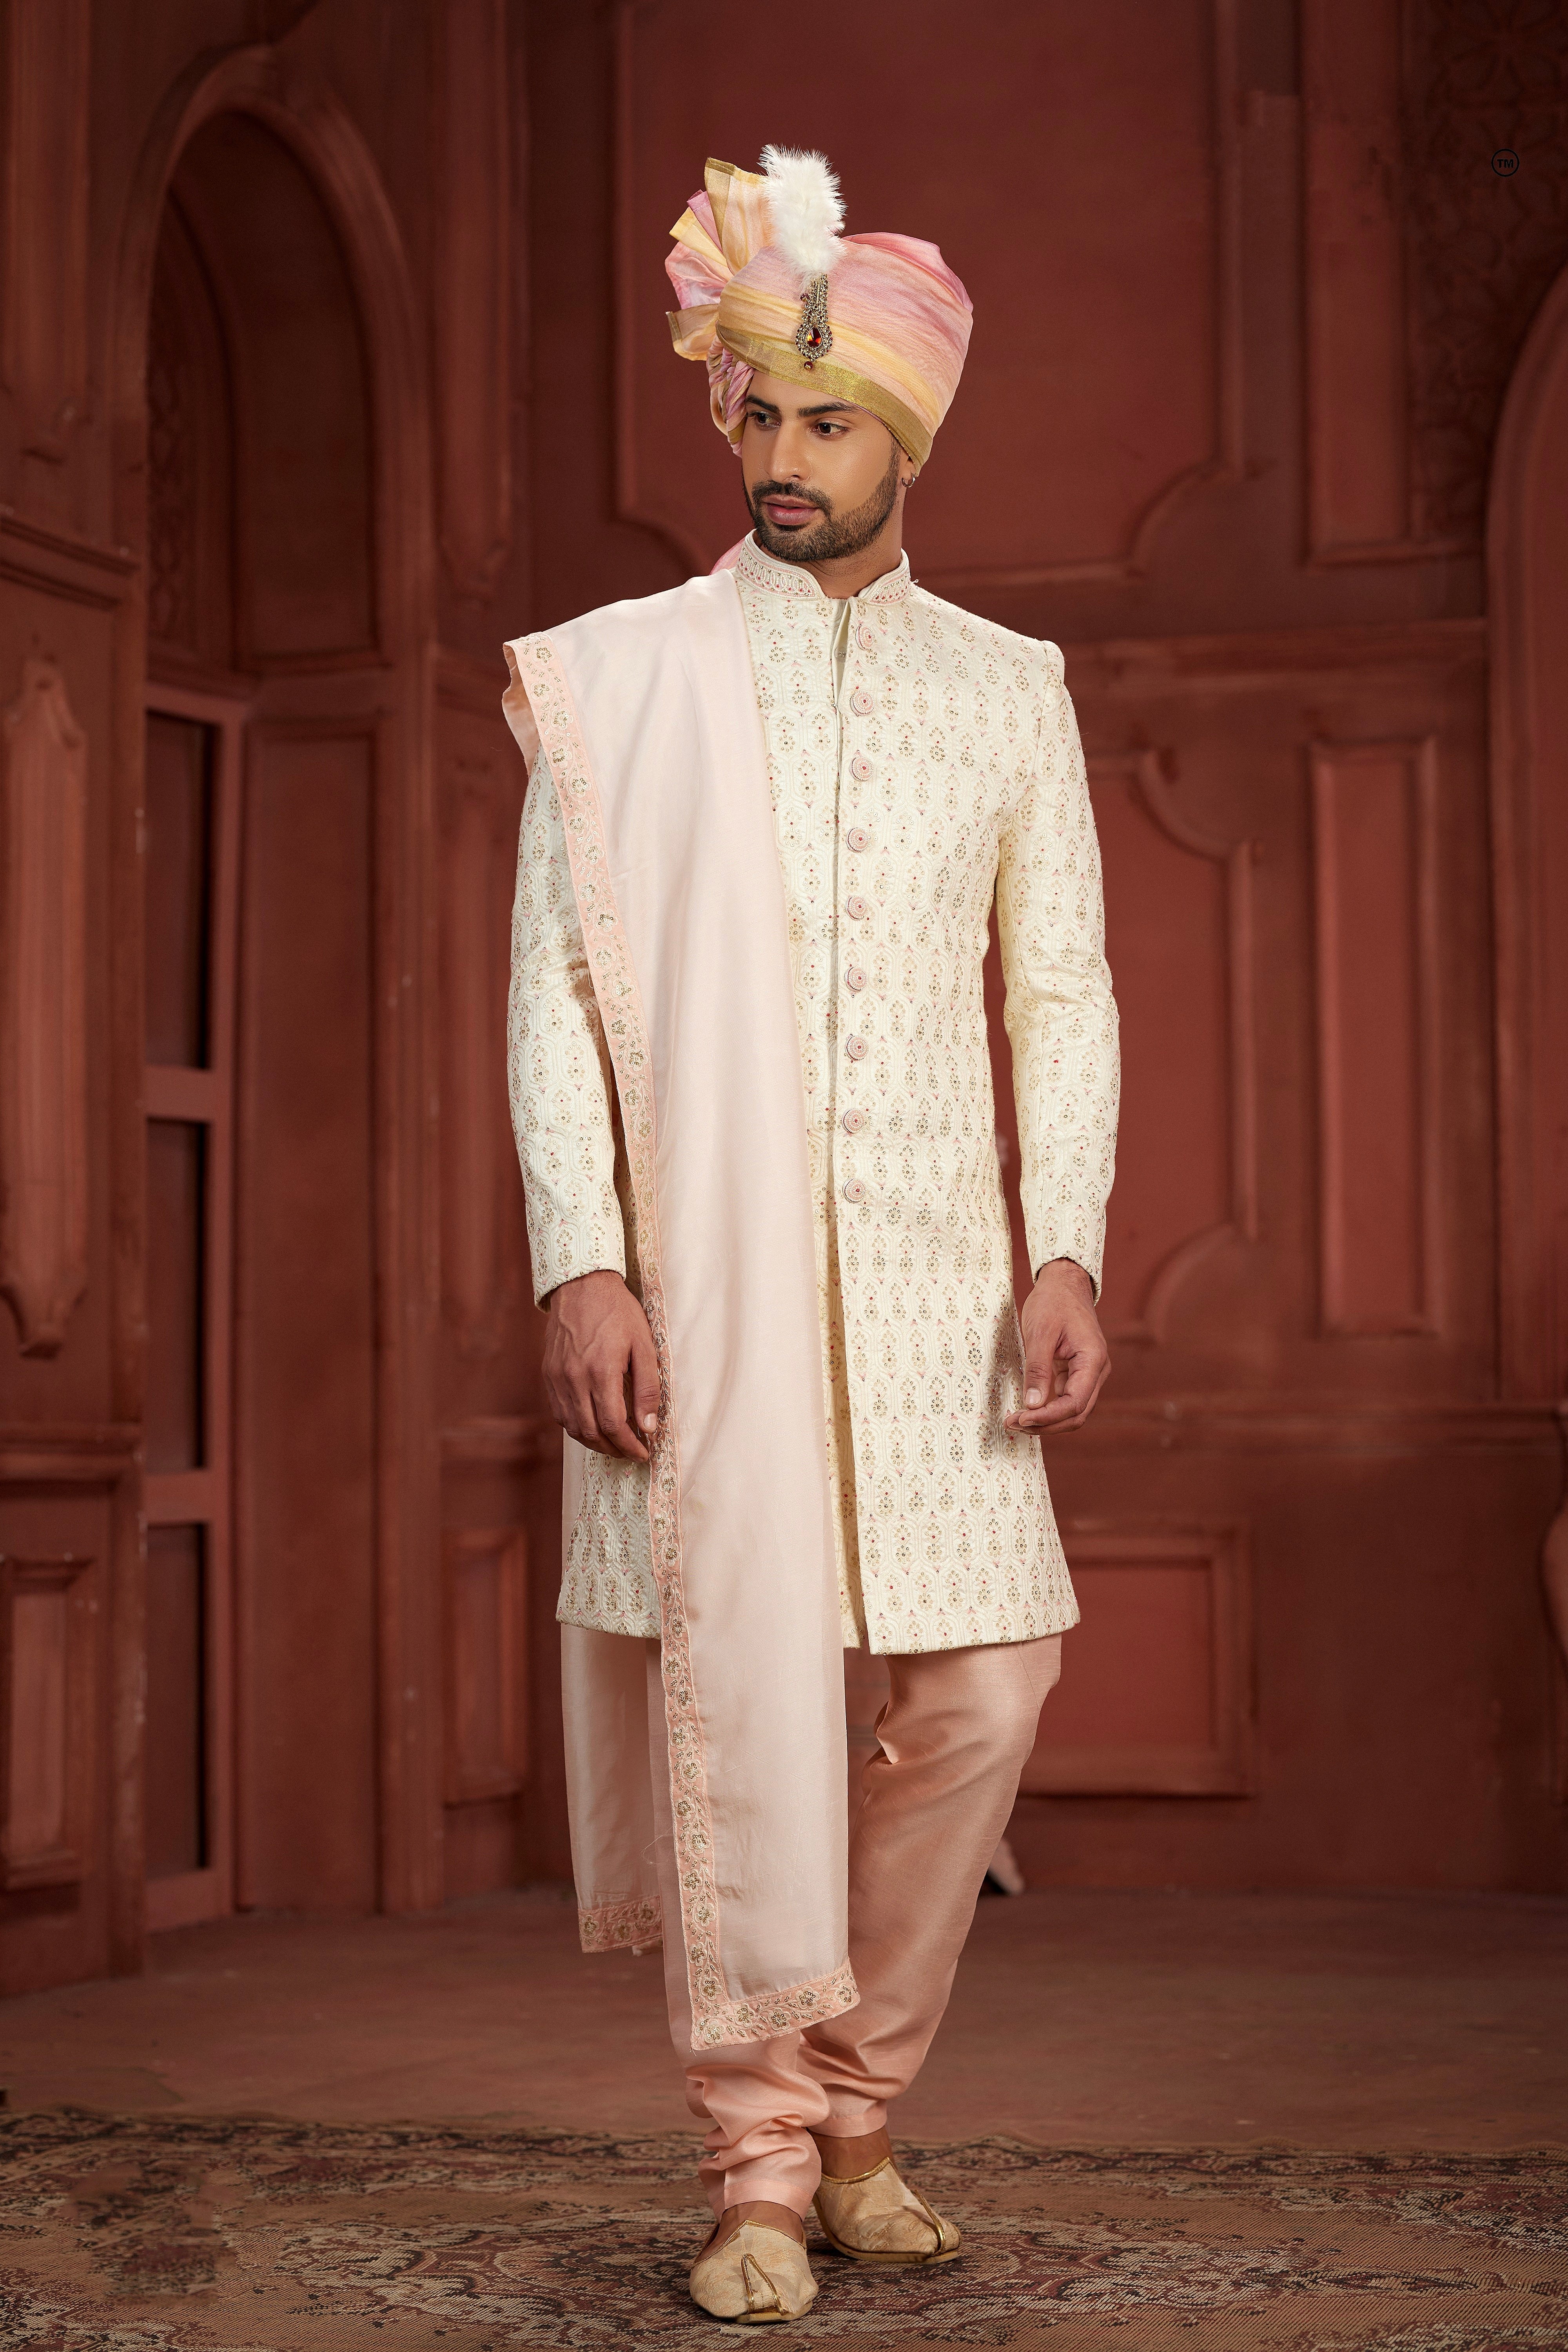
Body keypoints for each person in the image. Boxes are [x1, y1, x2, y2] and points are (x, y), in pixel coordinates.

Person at [504, 147, 1119, 2326]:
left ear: (909, 438)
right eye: (756, 412)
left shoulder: (1007, 688)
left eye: (828, 420)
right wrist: (584, 1258)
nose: (781, 455)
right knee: (738, 1697)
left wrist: (1067, 1243)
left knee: (991, 1687)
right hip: (707, 1300)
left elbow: (1061, 992)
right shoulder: (623, 685)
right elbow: (551, 993)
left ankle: (859, 2097)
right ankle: (767, 2163)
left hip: (945, 1296)